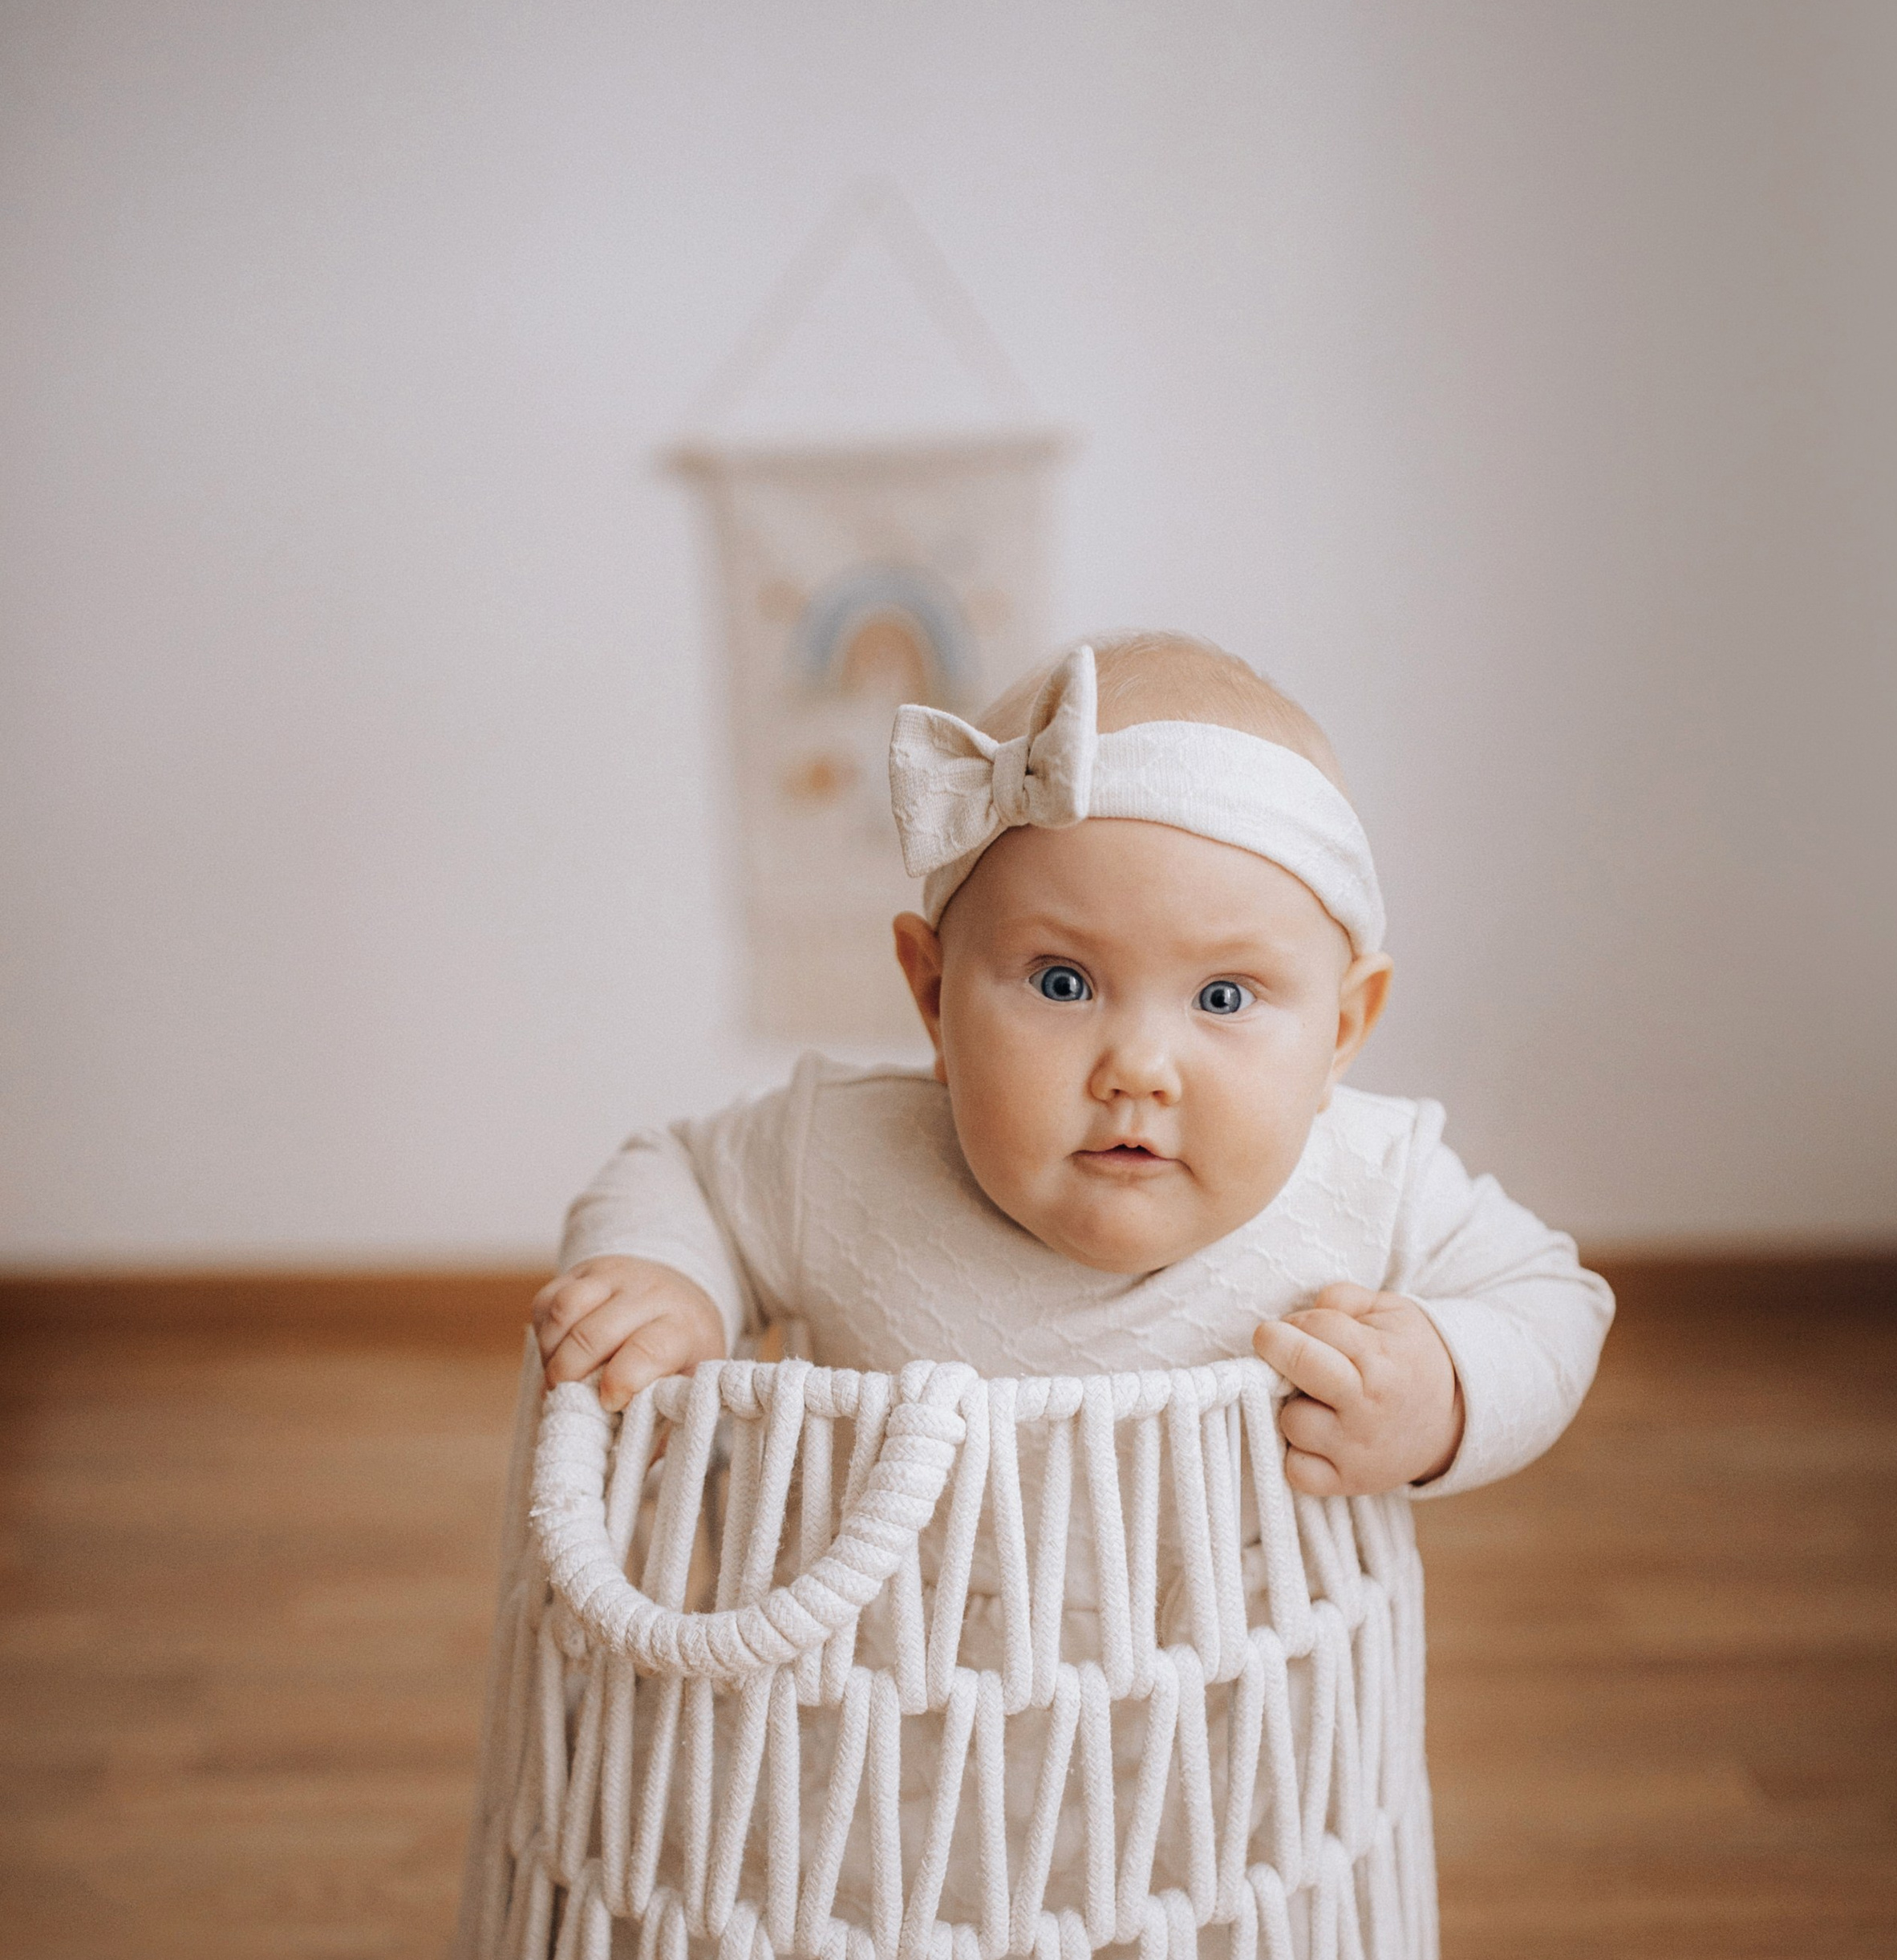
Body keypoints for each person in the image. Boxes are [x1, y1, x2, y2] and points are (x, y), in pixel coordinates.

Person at [533, 632, 1611, 1512]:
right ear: (934, 995)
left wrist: (1447, 1394)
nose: (1137, 1067)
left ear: (1341, 1029)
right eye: (1061, 983)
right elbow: (675, 1173)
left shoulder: (1372, 1182)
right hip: (876, 1733)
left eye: (1223, 998)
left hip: (1234, 1744)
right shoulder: (844, 1158)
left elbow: (1552, 1304)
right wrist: (669, 1280)